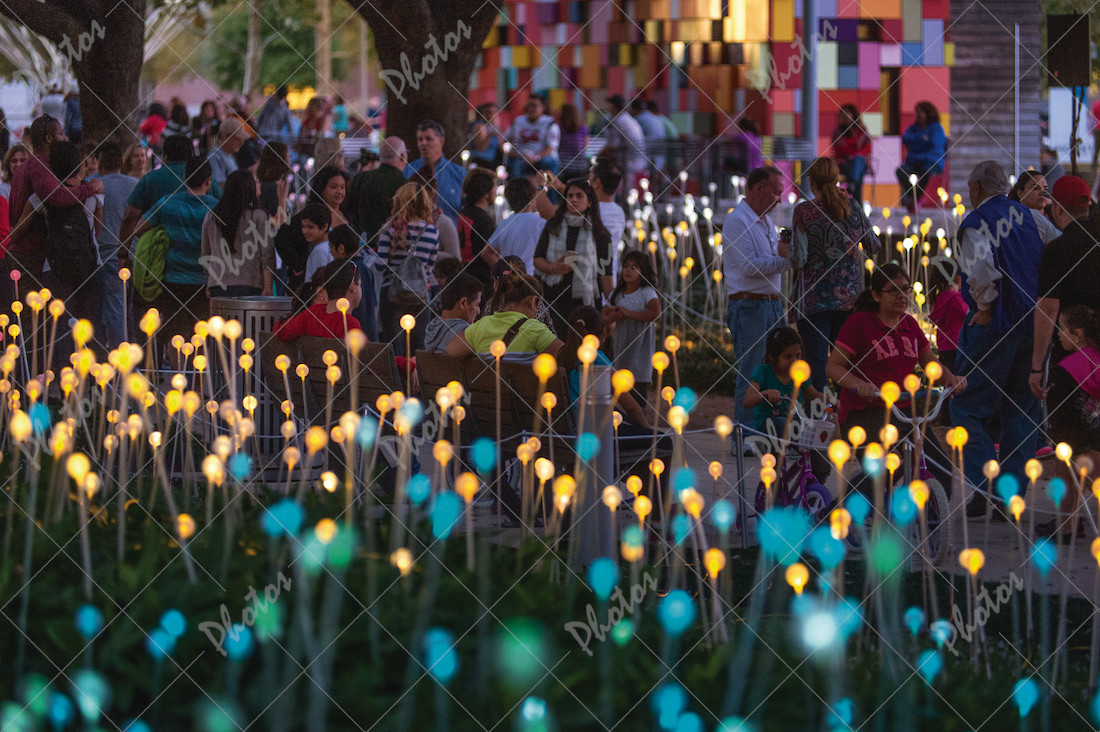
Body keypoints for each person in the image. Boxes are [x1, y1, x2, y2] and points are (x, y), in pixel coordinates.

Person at [951, 161, 1053, 517]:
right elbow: (1056, 254)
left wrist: (986, 307)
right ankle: (1010, 497)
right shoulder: (1033, 218)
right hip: (1035, 326)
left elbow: (981, 272)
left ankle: (987, 487)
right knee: (1021, 413)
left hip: (996, 324)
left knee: (965, 406)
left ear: (976, 188)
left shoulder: (975, 223)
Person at [826, 263, 965, 488]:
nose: (902, 296)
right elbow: (833, 367)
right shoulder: (859, 324)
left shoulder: (909, 324)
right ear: (876, 295)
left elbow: (931, 364)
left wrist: (951, 378)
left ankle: (927, 510)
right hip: (865, 411)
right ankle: (848, 502)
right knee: (881, 475)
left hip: (903, 412)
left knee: (940, 471)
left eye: (906, 289)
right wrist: (859, 385)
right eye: (894, 290)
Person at [790, 157, 877, 392]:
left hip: (813, 301)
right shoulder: (853, 208)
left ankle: (819, 414)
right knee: (846, 366)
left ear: (811, 182)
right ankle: (846, 411)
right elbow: (874, 245)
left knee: (816, 366)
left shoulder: (804, 212)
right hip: (850, 301)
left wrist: (785, 247)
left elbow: (799, 259)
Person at [124, 156, 217, 342]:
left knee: (175, 336)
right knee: (202, 337)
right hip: (205, 282)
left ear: (185, 177)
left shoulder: (167, 202)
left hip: (173, 281)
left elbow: (138, 229)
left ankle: (175, 362)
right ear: (208, 181)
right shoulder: (215, 207)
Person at [723, 165, 789, 427]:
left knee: (776, 372)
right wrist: (785, 262)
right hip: (749, 305)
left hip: (771, 304)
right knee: (752, 374)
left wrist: (783, 255)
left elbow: (768, 260)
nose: (780, 200)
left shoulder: (766, 221)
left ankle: (769, 430)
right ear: (759, 188)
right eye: (776, 193)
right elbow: (749, 266)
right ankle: (745, 435)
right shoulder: (737, 221)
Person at [7, 114, 103, 284]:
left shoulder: (29, 166)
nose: (65, 138)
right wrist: (89, 188)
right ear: (49, 138)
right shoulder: (40, 166)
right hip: (31, 255)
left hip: (25, 253)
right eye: (60, 133)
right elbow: (56, 197)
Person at [1032, 175, 1100, 402]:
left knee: (1071, 418)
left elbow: (1047, 308)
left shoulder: (1058, 250)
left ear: (1058, 208)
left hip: (1072, 361)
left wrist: (1036, 366)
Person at [1042, 304, 1100, 538]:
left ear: (1077, 333)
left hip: (1075, 436)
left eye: (1062, 328)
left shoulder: (1067, 369)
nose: (1058, 334)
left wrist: (1056, 437)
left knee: (1068, 479)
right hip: (1095, 432)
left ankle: (1066, 528)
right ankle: (1067, 526)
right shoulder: (1095, 359)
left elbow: (1060, 410)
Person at [533, 178, 612, 336]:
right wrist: (554, 268)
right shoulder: (553, 225)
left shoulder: (600, 233)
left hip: (585, 302)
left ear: (589, 202)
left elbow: (605, 273)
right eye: (569, 196)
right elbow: (537, 259)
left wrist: (610, 308)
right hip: (554, 298)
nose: (573, 199)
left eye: (579, 196)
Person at [119, 135, 222, 249]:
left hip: (159, 253)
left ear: (165, 157)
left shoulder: (150, 180)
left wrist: (123, 252)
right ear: (192, 156)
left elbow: (131, 216)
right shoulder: (209, 182)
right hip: (203, 253)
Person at [375, 181, 439, 355]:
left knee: (394, 350)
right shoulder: (432, 232)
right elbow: (429, 269)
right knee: (418, 350)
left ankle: (397, 374)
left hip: (392, 294)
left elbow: (380, 266)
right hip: (420, 295)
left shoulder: (390, 230)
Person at [201, 169, 279, 297]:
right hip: (250, 285)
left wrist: (209, 281)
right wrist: (268, 286)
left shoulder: (211, 217)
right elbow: (267, 255)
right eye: (256, 182)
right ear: (250, 188)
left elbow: (206, 253)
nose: (259, 184)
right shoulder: (258, 216)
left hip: (218, 285)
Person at [448, 271, 562, 357]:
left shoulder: (481, 325)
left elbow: (451, 350)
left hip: (488, 382)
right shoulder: (534, 329)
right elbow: (565, 358)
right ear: (533, 301)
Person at [94, 142, 139, 347]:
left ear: (100, 162)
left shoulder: (94, 185)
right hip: (135, 252)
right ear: (122, 162)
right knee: (133, 308)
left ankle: (120, 354)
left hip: (108, 253)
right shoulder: (136, 184)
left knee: (115, 306)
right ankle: (139, 353)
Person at [744, 326, 825, 436]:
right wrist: (764, 394)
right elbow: (747, 402)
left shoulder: (800, 373)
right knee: (783, 424)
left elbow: (813, 394)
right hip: (768, 426)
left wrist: (831, 400)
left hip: (794, 422)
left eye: (797, 355)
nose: (794, 361)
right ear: (772, 356)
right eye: (787, 357)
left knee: (810, 427)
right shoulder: (763, 372)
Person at [605, 250, 660, 409]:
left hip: (640, 348)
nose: (628, 270)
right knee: (620, 386)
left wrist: (629, 314)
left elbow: (656, 313)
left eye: (634, 267)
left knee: (637, 389)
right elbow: (605, 314)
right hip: (621, 345)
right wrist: (613, 317)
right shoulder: (617, 294)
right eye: (626, 266)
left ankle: (640, 419)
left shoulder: (646, 292)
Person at [274, 260, 362, 340]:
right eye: (360, 285)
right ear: (352, 287)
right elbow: (362, 352)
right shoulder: (349, 324)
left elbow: (279, 330)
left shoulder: (312, 314)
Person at [404, 119, 465, 222]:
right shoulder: (408, 171)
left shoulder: (459, 173)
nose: (423, 143)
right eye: (420, 139)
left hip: (449, 230)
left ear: (441, 141)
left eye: (429, 139)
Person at [351, 135, 407, 245]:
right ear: (402, 157)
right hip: (391, 246)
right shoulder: (406, 186)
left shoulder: (360, 179)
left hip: (358, 244)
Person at [896, 101, 946, 212]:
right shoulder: (914, 128)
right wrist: (922, 140)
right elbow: (906, 139)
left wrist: (917, 143)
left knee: (925, 172)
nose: (918, 115)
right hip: (913, 162)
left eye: (920, 112)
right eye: (917, 112)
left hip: (930, 162)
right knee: (901, 171)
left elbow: (935, 147)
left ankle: (916, 199)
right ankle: (913, 197)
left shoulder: (936, 128)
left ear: (927, 113)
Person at [489, 177, 546, 273]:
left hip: (509, 278)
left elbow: (487, 253)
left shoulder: (504, 224)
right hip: (531, 276)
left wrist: (504, 271)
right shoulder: (540, 222)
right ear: (532, 198)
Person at [457, 167, 499, 291]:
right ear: (486, 193)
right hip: (481, 279)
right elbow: (489, 253)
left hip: (464, 272)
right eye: (494, 187)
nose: (496, 190)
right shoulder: (483, 220)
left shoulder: (464, 212)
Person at [423, 272, 483, 353]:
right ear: (463, 303)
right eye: (476, 305)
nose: (478, 311)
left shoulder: (431, 328)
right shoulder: (467, 334)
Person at [506, 94, 560, 181]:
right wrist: (513, 153)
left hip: (542, 157)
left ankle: (549, 187)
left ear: (543, 107)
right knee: (515, 164)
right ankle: (517, 186)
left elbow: (550, 148)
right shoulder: (518, 121)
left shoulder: (550, 123)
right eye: (529, 105)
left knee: (547, 162)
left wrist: (536, 157)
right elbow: (505, 139)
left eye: (534, 106)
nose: (531, 109)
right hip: (522, 156)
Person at [588, 158, 626, 280]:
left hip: (590, 280)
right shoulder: (619, 212)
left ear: (597, 183)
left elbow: (548, 212)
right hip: (610, 278)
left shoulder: (590, 210)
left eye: (589, 181)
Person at [927, 265, 967, 374]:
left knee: (948, 377)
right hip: (958, 344)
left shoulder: (940, 298)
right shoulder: (956, 298)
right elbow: (967, 315)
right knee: (959, 377)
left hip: (944, 345)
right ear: (956, 278)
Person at [831, 104, 871, 204]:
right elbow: (838, 149)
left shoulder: (862, 131)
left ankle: (853, 185)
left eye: (846, 113)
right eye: (842, 114)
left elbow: (866, 150)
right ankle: (855, 193)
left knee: (858, 161)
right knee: (857, 169)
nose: (843, 116)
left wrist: (854, 156)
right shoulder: (837, 132)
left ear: (853, 115)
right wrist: (852, 155)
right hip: (843, 163)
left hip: (858, 163)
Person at [603, 95, 647, 181]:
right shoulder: (630, 119)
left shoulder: (618, 121)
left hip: (628, 164)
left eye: (610, 106)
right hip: (640, 162)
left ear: (614, 107)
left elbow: (611, 147)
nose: (608, 109)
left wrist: (597, 156)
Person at [298, 201, 333, 282]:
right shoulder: (329, 246)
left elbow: (317, 281)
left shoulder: (320, 250)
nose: (305, 231)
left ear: (324, 227)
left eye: (310, 227)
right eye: (303, 226)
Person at [256, 142, 292, 218]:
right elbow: (279, 221)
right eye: (288, 155)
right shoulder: (272, 189)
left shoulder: (266, 185)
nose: (290, 158)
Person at [209, 117, 248, 185]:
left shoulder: (229, 155)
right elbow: (218, 185)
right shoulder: (215, 157)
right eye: (238, 139)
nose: (242, 143)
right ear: (226, 137)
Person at [631, 99, 667, 171]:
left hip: (647, 161)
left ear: (634, 109)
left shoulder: (639, 119)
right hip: (661, 160)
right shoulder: (656, 118)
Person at [310, 165, 351, 229]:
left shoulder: (348, 214)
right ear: (321, 189)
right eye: (334, 187)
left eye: (342, 187)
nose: (339, 192)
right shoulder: (313, 216)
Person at [557, 103, 590, 182]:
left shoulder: (559, 129)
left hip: (562, 168)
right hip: (580, 168)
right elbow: (585, 148)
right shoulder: (584, 129)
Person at [468, 102, 504, 169]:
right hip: (480, 159)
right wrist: (489, 135)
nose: (491, 115)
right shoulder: (480, 126)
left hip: (492, 159)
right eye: (488, 112)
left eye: (494, 112)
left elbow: (502, 149)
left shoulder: (497, 128)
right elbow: (480, 148)